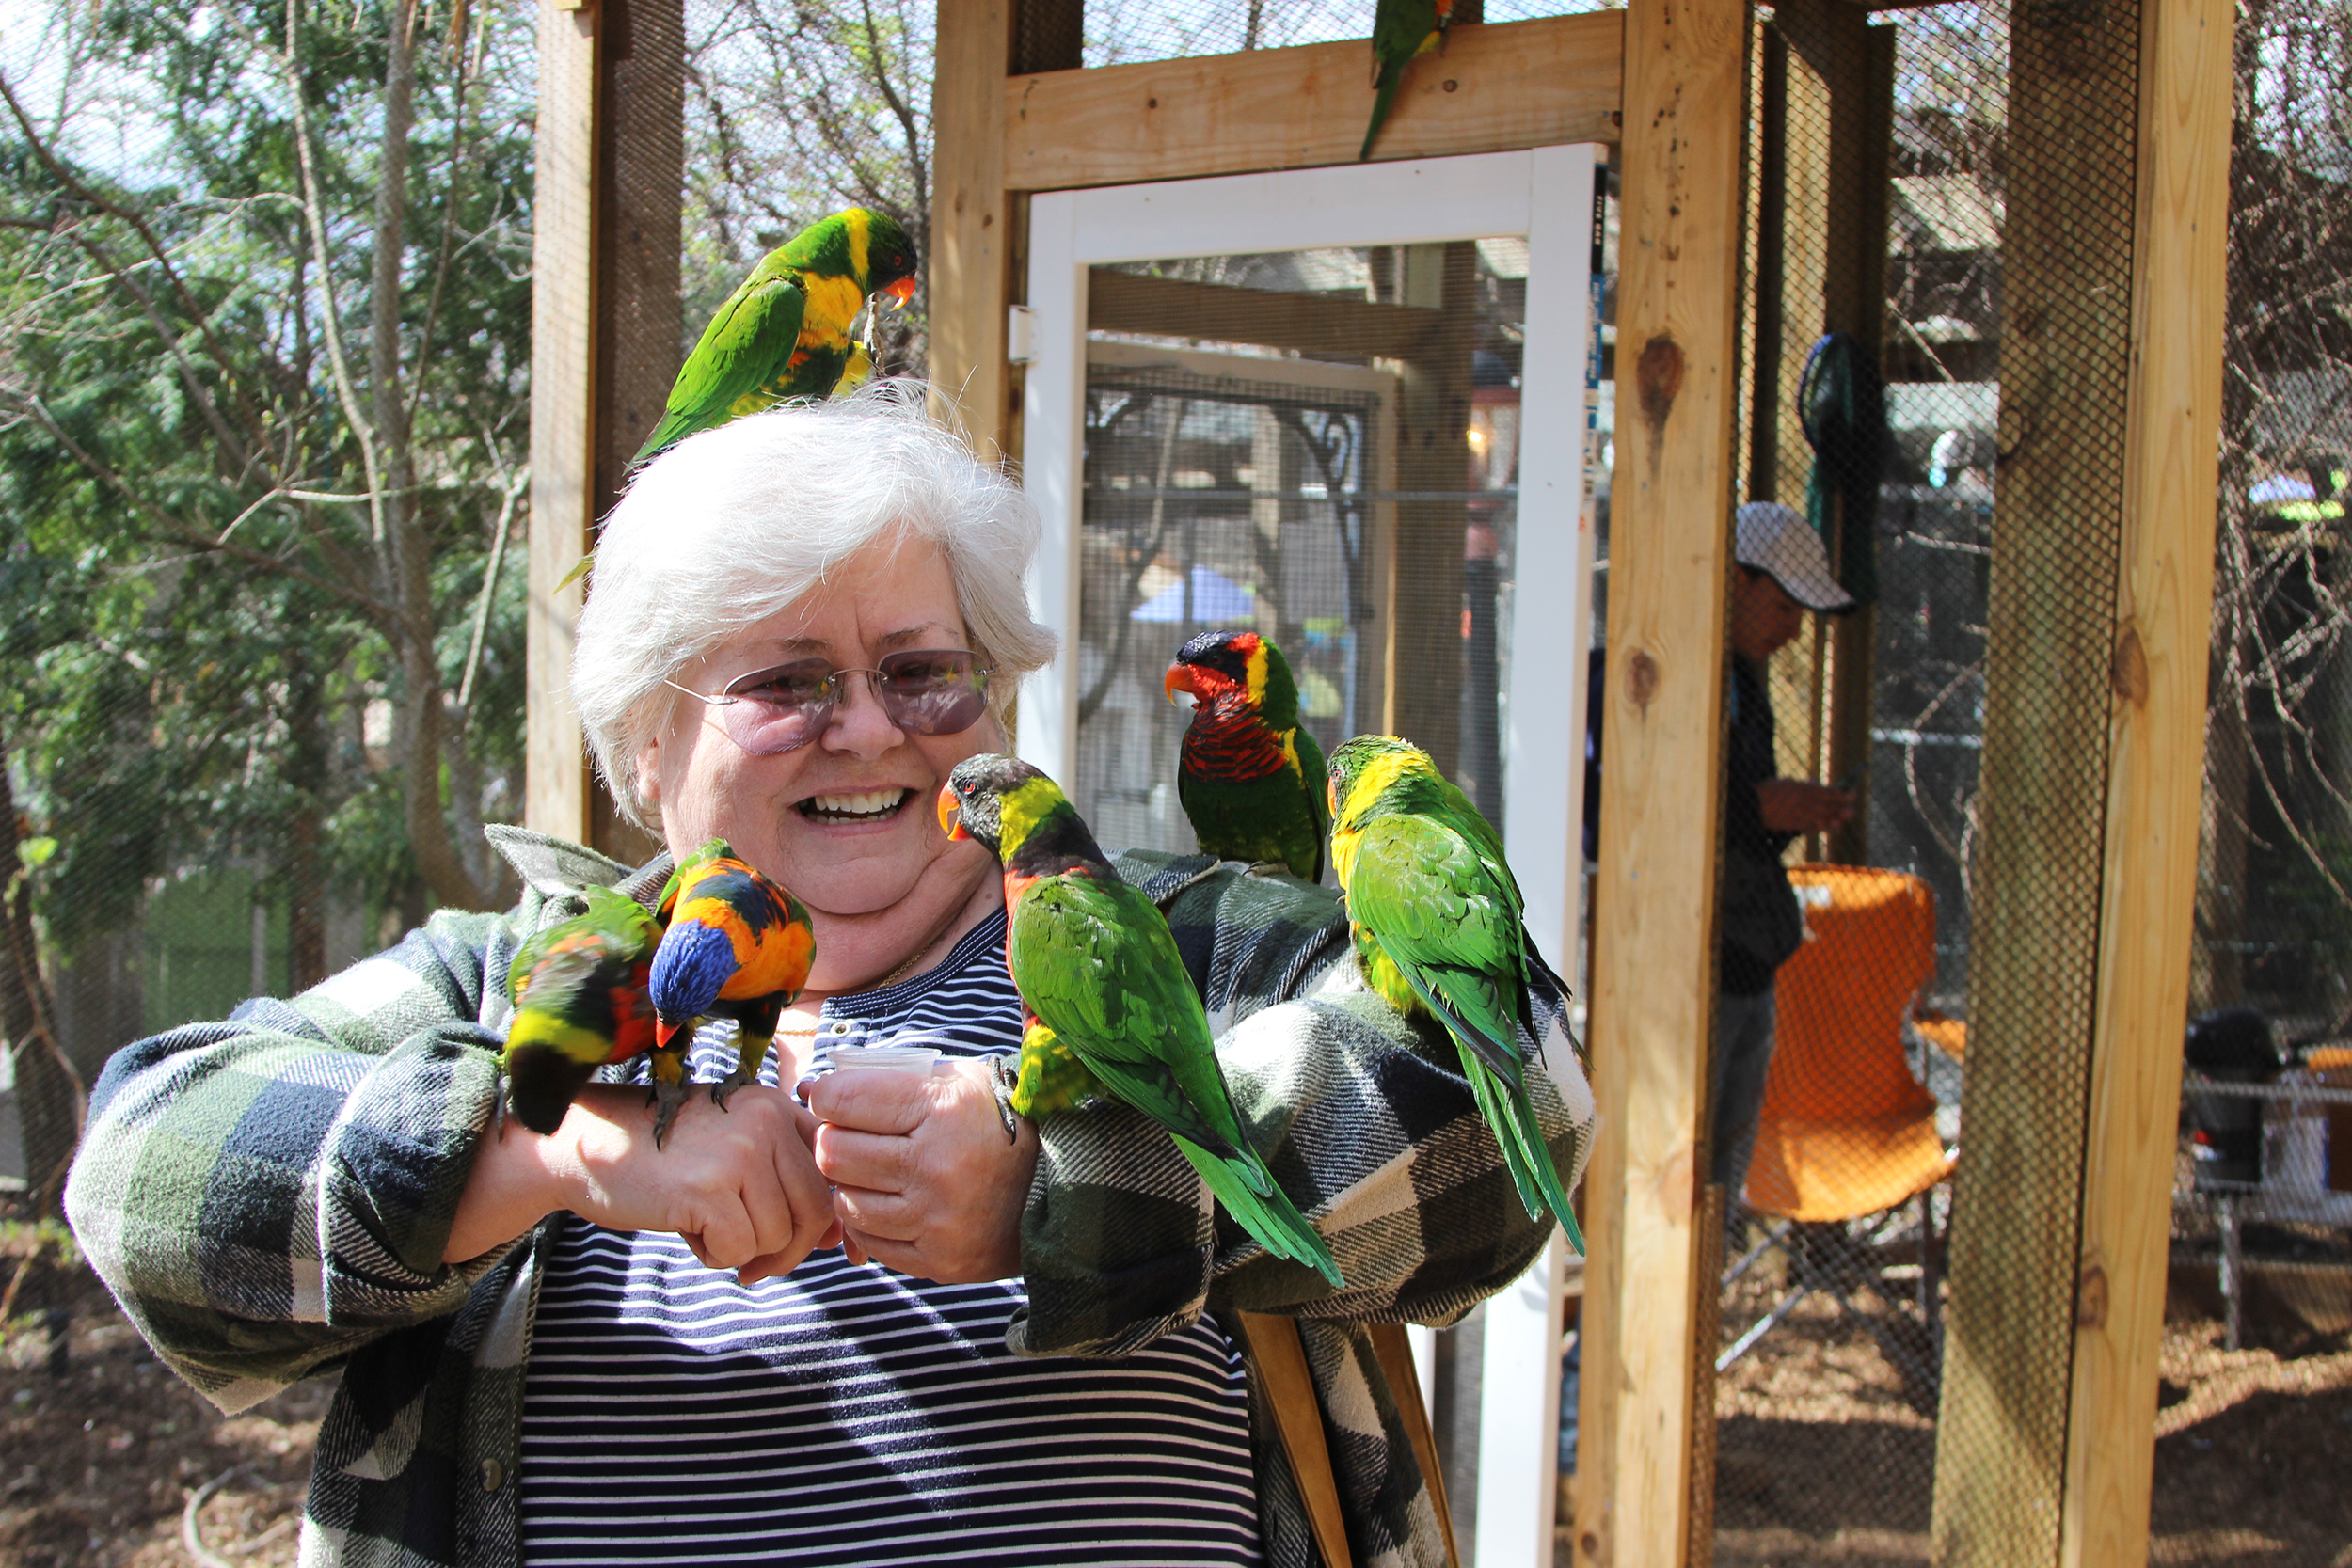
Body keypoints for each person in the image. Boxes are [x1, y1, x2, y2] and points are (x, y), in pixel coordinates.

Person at [65, 389, 1594, 1568]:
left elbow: (1514, 1104)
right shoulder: (532, 988)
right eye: (788, 683)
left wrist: (1073, 1179)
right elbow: (147, 1179)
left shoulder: (1185, 949)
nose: (870, 729)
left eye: (921, 670)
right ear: (649, 741)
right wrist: (554, 1147)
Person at [1583, 499, 1854, 1192]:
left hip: (1746, 965)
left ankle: (1704, 1290)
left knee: (1717, 1175)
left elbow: (1728, 817)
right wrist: (1760, 808)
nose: (1796, 629)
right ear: (1736, 579)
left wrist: (1776, 813)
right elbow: (1643, 809)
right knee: (1672, 1170)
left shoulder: (1742, 684)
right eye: (1788, 606)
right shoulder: (1660, 676)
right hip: (1681, 973)